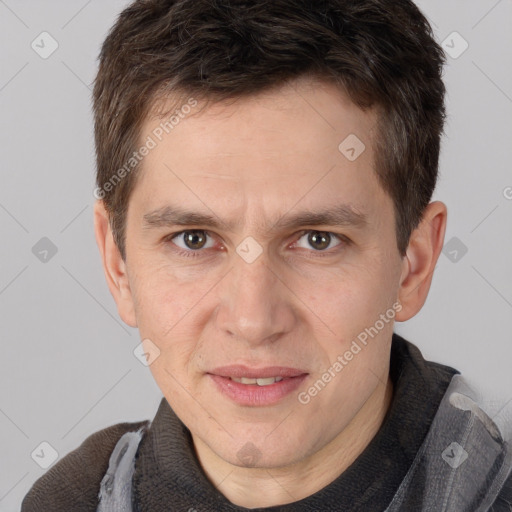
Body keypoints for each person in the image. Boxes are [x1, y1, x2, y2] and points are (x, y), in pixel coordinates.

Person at [22, 0, 512, 510]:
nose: (254, 320)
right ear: (118, 263)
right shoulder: (70, 499)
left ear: (414, 263)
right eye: (194, 239)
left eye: (317, 240)